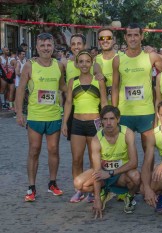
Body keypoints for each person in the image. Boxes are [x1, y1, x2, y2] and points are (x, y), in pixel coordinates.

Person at [15, 32, 67, 202]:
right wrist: (19, 112)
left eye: (49, 45)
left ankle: (52, 183)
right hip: (36, 116)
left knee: (53, 150)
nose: (46, 48)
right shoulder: (29, 65)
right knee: (34, 150)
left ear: (53, 47)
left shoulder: (59, 66)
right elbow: (21, 89)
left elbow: (63, 87)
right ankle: (31, 187)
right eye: (42, 46)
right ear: (36, 47)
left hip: (54, 115)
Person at [74, 105, 140, 218]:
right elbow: (97, 170)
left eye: (112, 119)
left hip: (120, 174)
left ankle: (129, 196)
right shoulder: (96, 139)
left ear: (118, 119)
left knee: (136, 177)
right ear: (101, 121)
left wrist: (110, 173)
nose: (108, 123)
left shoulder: (127, 133)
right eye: (105, 119)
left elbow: (134, 163)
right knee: (78, 183)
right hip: (103, 174)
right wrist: (97, 199)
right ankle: (103, 192)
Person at [112, 23, 162, 153]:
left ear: (141, 36)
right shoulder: (118, 60)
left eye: (136, 35)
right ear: (125, 37)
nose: (133, 38)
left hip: (146, 112)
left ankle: (148, 174)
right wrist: (114, 111)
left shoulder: (150, 56)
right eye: (129, 35)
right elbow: (114, 87)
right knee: (123, 151)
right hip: (125, 112)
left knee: (148, 150)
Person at [61, 50, 107, 203]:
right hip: (77, 124)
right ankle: (79, 190)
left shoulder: (98, 80)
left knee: (94, 160)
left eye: (88, 61)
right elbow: (68, 103)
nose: (84, 64)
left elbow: (104, 103)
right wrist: (64, 123)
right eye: (81, 61)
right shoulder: (72, 81)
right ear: (77, 64)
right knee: (76, 159)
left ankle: (94, 190)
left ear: (92, 63)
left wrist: (107, 122)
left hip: (95, 124)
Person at [95, 27, 118, 104]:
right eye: (101, 38)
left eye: (108, 38)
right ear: (99, 41)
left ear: (114, 40)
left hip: (122, 108)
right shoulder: (94, 60)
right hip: (103, 108)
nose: (105, 40)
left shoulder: (122, 58)